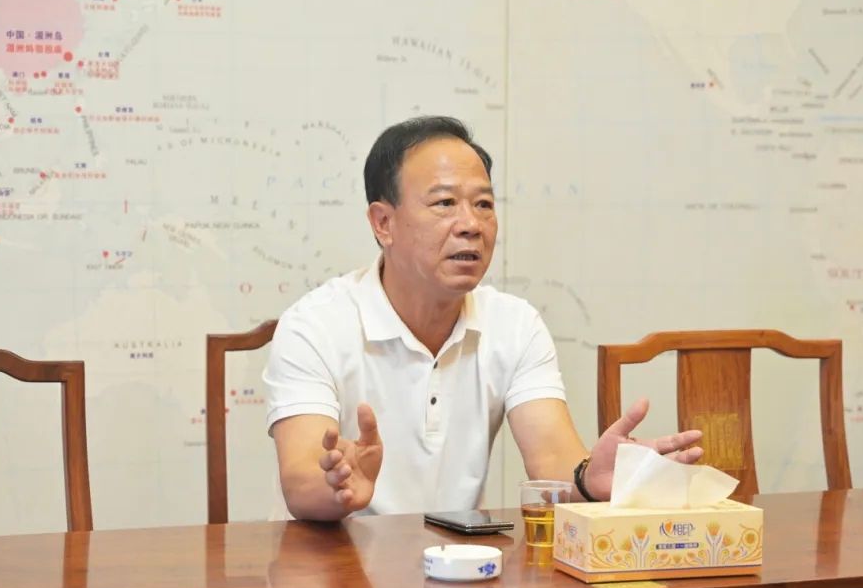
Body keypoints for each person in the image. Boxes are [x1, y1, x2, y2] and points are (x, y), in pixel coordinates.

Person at [264, 116, 703, 521]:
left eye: (484, 204)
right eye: (444, 203)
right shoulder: (314, 326)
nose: (471, 224)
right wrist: (338, 487)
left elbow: (553, 461)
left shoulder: (514, 325)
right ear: (383, 223)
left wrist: (588, 480)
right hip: (335, 565)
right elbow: (302, 482)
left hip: (459, 564)